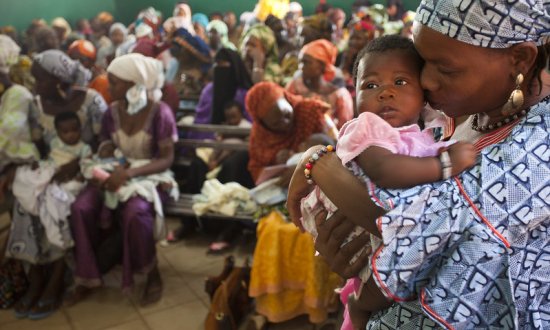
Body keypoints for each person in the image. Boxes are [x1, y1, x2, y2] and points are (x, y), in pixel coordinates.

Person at [287, 0, 550, 328]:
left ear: (520, 58)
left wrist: (319, 165)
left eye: (446, 67)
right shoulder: (461, 115)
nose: (424, 80)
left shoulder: (538, 147)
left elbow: (416, 230)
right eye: (422, 60)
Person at [299, 35, 476, 330]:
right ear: (354, 94)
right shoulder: (367, 128)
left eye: (400, 82)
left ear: (423, 92)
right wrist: (444, 164)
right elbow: (384, 170)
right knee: (385, 283)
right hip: (364, 224)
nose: (385, 93)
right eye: (371, 85)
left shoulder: (428, 127)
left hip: (391, 229)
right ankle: (358, 306)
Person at [69, 53, 178, 307]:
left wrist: (128, 174)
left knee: (135, 214)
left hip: (150, 175)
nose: (109, 86)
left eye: (115, 82)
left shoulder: (159, 112)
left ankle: (151, 274)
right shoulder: (112, 112)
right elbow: (107, 143)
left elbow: (166, 159)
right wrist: (106, 152)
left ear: (132, 84)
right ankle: (88, 275)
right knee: (81, 208)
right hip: (115, 171)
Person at [4, 49, 105, 320]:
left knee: (56, 207)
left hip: (82, 173)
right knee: (26, 205)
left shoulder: (92, 102)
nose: (35, 86)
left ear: (59, 79)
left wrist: (76, 165)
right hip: (51, 172)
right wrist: (29, 168)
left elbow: (106, 144)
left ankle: (57, 277)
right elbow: (36, 145)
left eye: (41, 79)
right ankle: (36, 276)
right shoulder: (36, 105)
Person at [286, 39, 353, 129]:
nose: (301, 67)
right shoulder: (296, 85)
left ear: (322, 65)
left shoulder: (340, 95)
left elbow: (344, 128)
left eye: (306, 62)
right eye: (300, 62)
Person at [207, 101, 252, 171]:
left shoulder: (246, 126)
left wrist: (217, 161)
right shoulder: (225, 126)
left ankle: (215, 163)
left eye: (234, 116)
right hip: (219, 153)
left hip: (234, 157)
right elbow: (217, 143)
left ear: (241, 114)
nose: (231, 120)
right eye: (228, 117)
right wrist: (212, 159)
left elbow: (243, 143)